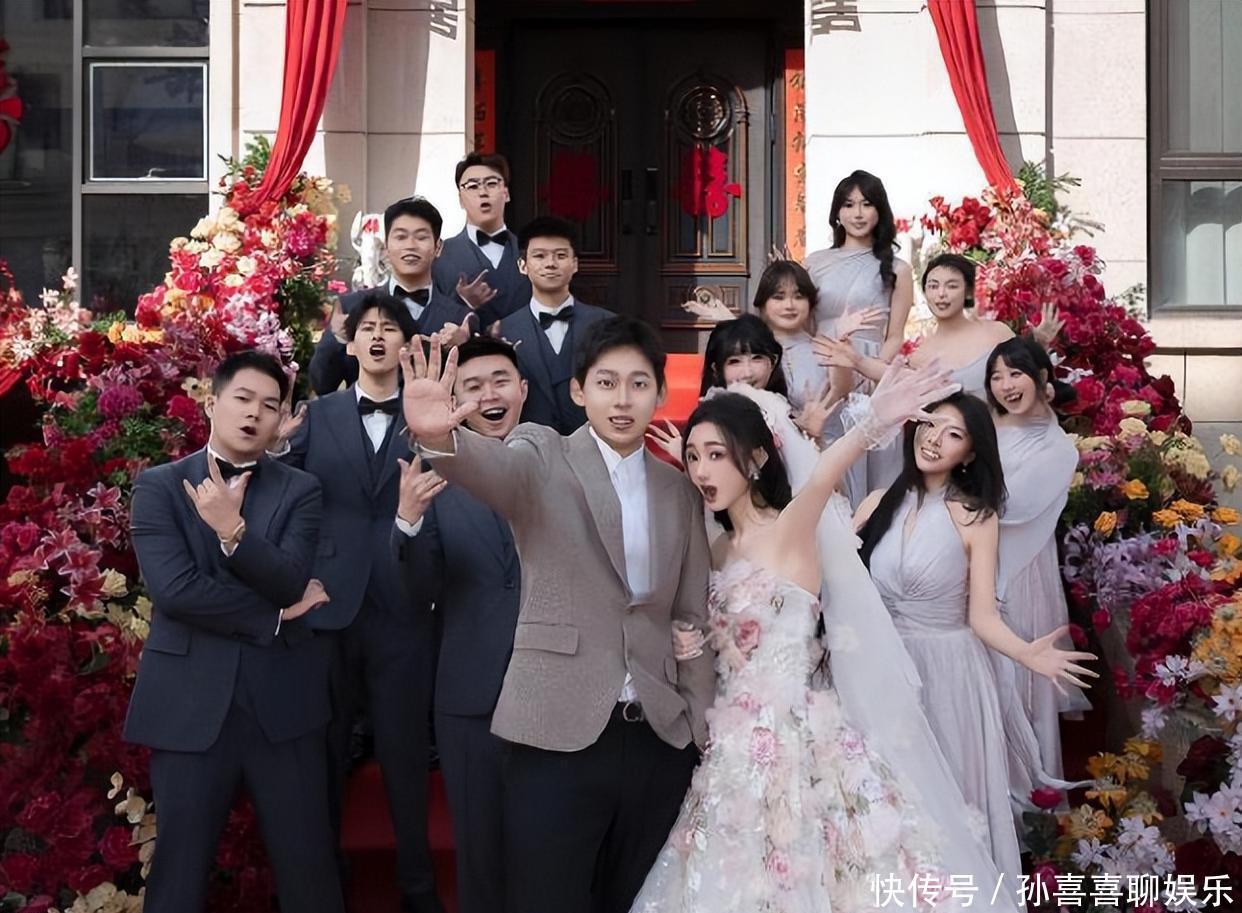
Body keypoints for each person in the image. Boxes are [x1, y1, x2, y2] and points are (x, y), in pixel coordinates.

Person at [630, 362, 1025, 913]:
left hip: (801, 738)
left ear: (757, 458)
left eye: (716, 454)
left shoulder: (789, 529)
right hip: (731, 744)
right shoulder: (715, 547)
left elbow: (822, 477)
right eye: (694, 457)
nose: (701, 469)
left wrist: (873, 422)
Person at [401, 319, 716, 913]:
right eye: (606, 383)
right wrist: (440, 439)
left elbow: (690, 616)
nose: (622, 400)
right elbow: (494, 472)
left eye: (638, 384)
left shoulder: (678, 490)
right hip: (556, 733)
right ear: (578, 391)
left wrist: (700, 729)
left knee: (639, 900)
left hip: (657, 736)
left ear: (659, 393)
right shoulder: (542, 453)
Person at [124, 350, 342, 913]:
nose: (254, 414)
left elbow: (290, 579)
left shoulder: (301, 489)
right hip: (189, 705)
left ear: (280, 420)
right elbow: (175, 591)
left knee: (309, 869)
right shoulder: (159, 486)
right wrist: (273, 616)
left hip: (284, 706)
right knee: (178, 872)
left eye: (269, 406)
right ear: (211, 402)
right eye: (243, 399)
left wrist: (234, 533)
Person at [855, 392, 1097, 876]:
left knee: (945, 799)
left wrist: (1028, 654)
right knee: (885, 797)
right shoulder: (877, 502)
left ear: (968, 453)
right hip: (881, 668)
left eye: (953, 434)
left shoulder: (975, 516)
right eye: (930, 425)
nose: (934, 439)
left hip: (949, 675)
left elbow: (982, 617)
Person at [282, 294, 444, 913]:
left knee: (405, 760)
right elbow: (280, 489)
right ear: (348, 344)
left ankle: (418, 890)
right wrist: (277, 451)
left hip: (404, 606)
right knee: (323, 756)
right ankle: (327, 889)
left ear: (407, 344)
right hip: (328, 607)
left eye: (390, 328)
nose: (377, 337)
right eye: (366, 328)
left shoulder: (427, 415)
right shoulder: (317, 414)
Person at [390, 335, 528, 913]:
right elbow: (418, 590)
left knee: (554, 854)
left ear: (523, 390)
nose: (489, 396)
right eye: (473, 386)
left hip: (557, 693)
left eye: (500, 382)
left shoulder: (565, 462)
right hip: (471, 698)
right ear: (455, 400)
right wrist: (408, 522)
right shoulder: (432, 476)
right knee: (479, 855)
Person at [987, 336, 1090, 778]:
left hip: (1022, 570)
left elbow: (1013, 508)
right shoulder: (988, 425)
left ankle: (1032, 788)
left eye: (1016, 374)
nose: (1006, 385)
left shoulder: (1058, 449)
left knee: (1022, 669)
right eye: (996, 377)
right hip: (974, 561)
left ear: (1042, 378)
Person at [815, 252, 1060, 398]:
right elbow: (902, 379)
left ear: (968, 291)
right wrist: (857, 360)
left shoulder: (996, 332)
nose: (941, 294)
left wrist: (1039, 343)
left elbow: (1027, 375)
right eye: (933, 286)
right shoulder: (921, 356)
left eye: (951, 286)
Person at [803, 169, 912, 495]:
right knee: (824, 459)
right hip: (821, 370)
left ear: (880, 210)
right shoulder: (814, 263)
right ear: (837, 213)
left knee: (870, 463)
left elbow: (895, 335)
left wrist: (870, 371)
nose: (858, 213)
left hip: (870, 376)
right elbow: (805, 325)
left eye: (867, 204)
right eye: (849, 205)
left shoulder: (898, 269)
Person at [310, 197, 472, 395]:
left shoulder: (459, 318)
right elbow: (321, 384)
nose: (410, 245)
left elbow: (471, 388)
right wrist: (338, 339)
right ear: (386, 246)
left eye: (421, 237)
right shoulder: (350, 306)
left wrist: (465, 348)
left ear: (438, 247)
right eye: (401, 237)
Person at [497, 216, 611, 434]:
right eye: (539, 256)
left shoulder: (608, 325)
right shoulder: (502, 331)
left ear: (575, 264)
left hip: (594, 442)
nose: (550, 263)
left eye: (561, 255)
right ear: (522, 265)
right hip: (527, 445)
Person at [433, 152, 532, 328]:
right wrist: (464, 303)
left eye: (491, 184)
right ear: (460, 200)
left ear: (506, 193)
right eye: (472, 186)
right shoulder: (440, 256)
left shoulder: (531, 252)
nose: (483, 192)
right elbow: (429, 319)